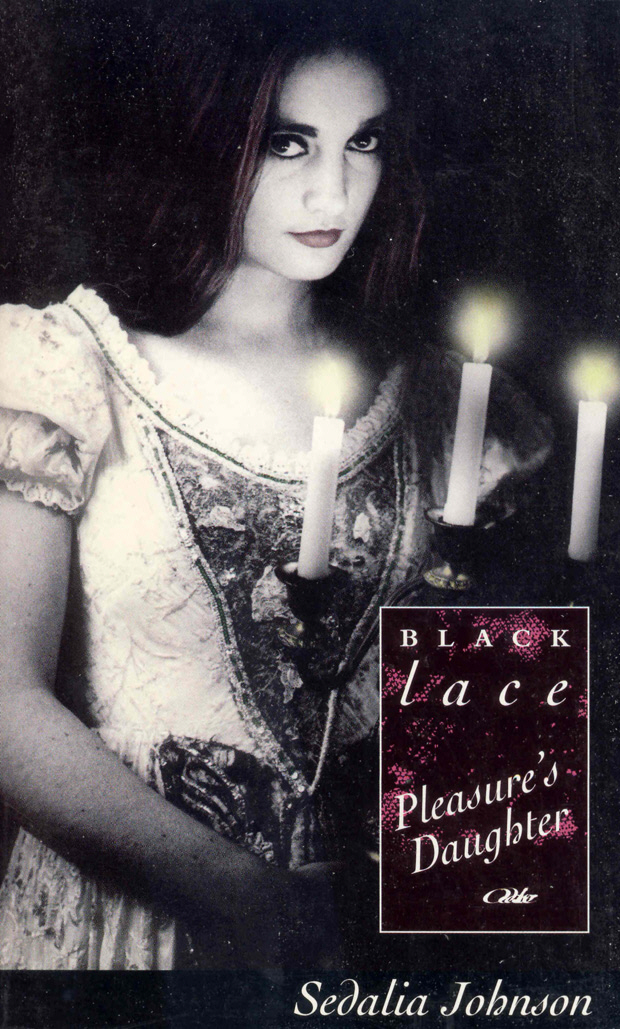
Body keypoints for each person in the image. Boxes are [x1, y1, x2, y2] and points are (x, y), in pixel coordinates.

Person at [0, 2, 549, 970]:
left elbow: (480, 731)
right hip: (126, 934)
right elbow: (6, 704)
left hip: (368, 941)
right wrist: (246, 900)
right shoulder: (60, 370)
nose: (333, 189)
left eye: (363, 141)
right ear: (201, 140)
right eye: (288, 144)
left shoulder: (444, 404)